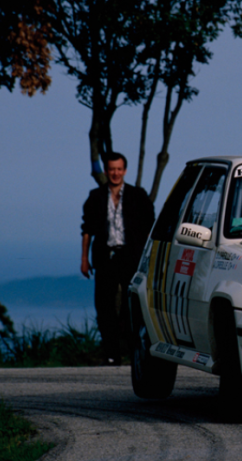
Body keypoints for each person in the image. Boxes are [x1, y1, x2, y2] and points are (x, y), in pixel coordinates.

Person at [81, 152, 155, 365]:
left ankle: (134, 351)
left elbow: (150, 226)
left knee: (130, 306)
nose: (115, 173)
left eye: (119, 169)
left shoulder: (137, 196)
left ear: (125, 170)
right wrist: (84, 259)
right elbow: (87, 230)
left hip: (130, 256)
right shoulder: (95, 197)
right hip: (105, 257)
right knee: (103, 306)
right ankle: (112, 354)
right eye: (111, 169)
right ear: (106, 171)